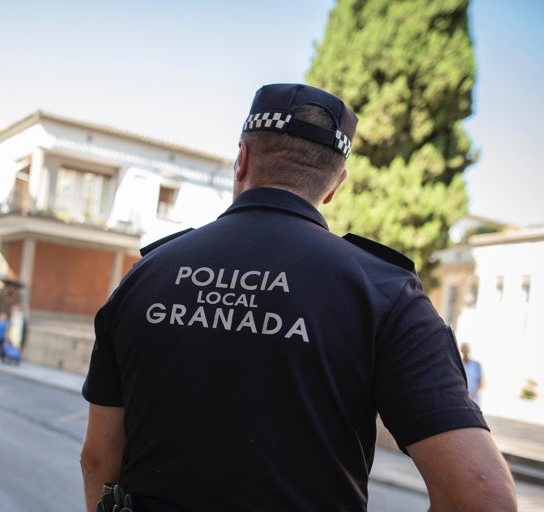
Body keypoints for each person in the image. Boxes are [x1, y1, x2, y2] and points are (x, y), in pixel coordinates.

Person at [79, 83, 517, 511]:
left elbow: (99, 458)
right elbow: (482, 496)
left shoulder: (147, 275)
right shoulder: (385, 293)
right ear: (334, 185)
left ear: (242, 159)